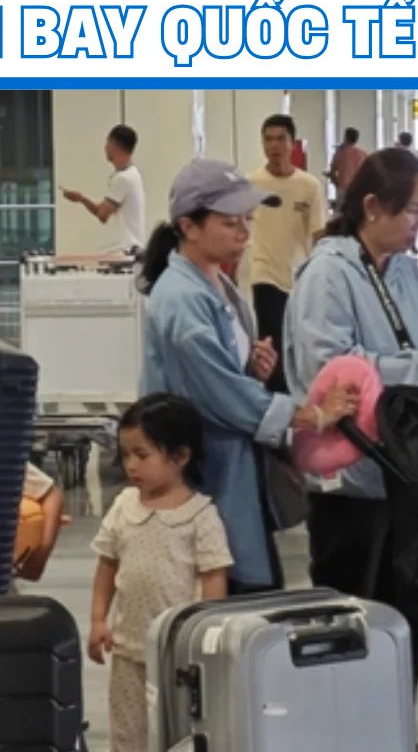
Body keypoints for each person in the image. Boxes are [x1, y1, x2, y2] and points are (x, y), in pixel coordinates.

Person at [284, 148, 418, 752]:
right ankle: (342, 749)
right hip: (351, 480)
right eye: (412, 209)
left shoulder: (404, 270)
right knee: (353, 615)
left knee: (410, 609)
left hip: (408, 472)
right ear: (372, 206)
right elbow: (329, 370)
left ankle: (393, 735)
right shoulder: (329, 274)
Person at [139, 159, 357, 594]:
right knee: (223, 601)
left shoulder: (216, 284)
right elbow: (221, 392)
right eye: (229, 222)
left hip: (231, 469)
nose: (244, 232)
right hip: (207, 474)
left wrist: (250, 365)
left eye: (248, 220)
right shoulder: (182, 298)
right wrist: (309, 414)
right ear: (189, 226)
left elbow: (222, 374)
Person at [85, 395, 234, 752]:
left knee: (181, 737)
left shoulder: (199, 515)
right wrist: (98, 619)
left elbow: (214, 578)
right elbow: (107, 566)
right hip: (129, 650)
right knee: (127, 735)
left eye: (142, 454)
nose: (131, 465)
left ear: (180, 456)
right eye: (125, 454)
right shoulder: (124, 507)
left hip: (178, 657)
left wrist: (205, 640)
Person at [246, 115, 327, 394]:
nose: (274, 145)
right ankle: (276, 399)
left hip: (298, 277)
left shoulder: (309, 186)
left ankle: (299, 393)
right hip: (263, 272)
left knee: (298, 341)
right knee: (272, 339)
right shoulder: (251, 184)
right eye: (268, 139)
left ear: (293, 143)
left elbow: (318, 234)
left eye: (281, 139)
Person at [63, 124, 147, 255]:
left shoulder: (123, 178)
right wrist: (81, 199)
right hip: (127, 247)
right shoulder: (132, 174)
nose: (105, 147)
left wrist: (81, 199)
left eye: (108, 143)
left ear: (115, 146)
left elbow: (102, 214)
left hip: (124, 249)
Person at [328, 127, 367, 200]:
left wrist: (335, 182)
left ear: (345, 137)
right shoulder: (363, 154)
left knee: (342, 206)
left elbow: (332, 172)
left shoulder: (340, 153)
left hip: (343, 188)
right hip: (358, 188)